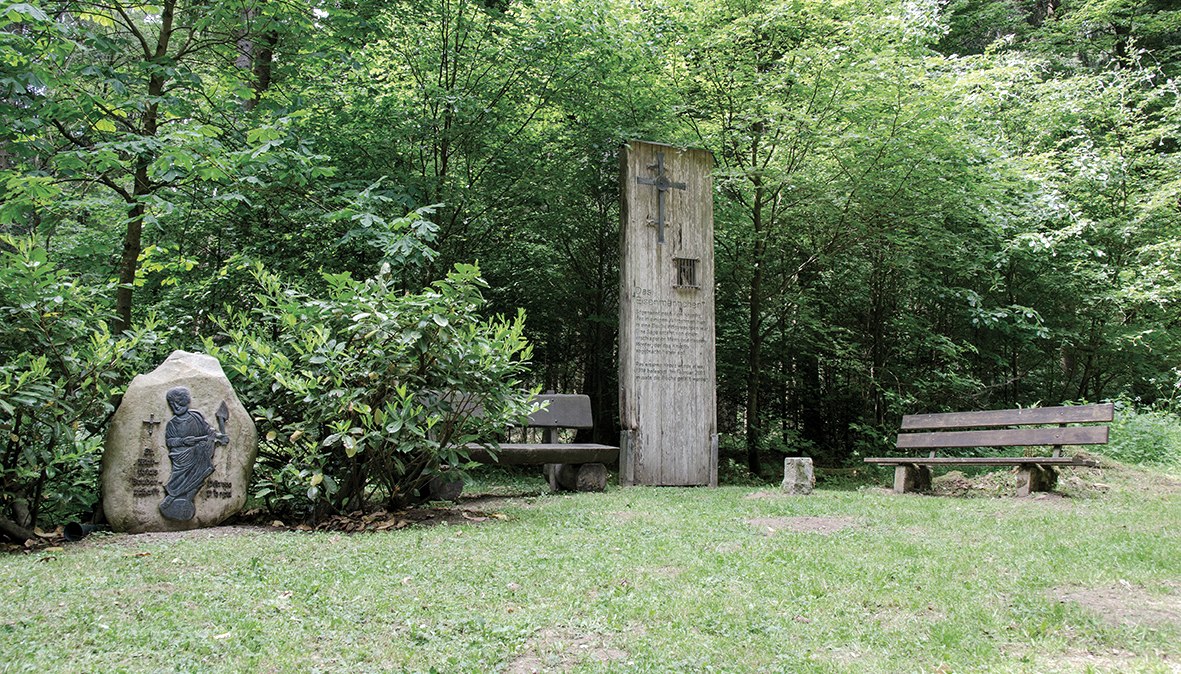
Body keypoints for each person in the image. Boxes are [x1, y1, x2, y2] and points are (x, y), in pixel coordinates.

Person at [158, 387, 227, 521]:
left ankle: (185, 500)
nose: (176, 407)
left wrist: (219, 437)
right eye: (172, 404)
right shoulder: (172, 423)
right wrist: (184, 441)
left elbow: (208, 432)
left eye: (180, 403)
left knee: (201, 474)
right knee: (179, 477)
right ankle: (172, 496)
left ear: (187, 402)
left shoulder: (196, 416)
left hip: (199, 453)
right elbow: (170, 442)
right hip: (181, 456)